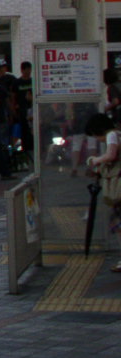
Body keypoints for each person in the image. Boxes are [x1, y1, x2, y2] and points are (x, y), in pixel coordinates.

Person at [84, 113, 121, 272]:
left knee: (118, 222)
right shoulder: (118, 133)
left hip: (118, 185)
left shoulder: (112, 135)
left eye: (94, 135)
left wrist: (95, 161)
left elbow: (111, 155)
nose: (97, 139)